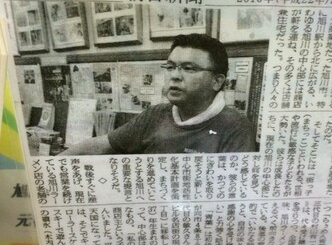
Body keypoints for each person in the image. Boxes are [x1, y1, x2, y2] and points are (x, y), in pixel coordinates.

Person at [61, 33, 256, 155]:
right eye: (170, 67)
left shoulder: (235, 127)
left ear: (217, 81)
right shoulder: (155, 114)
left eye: (189, 68)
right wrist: (53, 164)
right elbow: (101, 145)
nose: (175, 76)